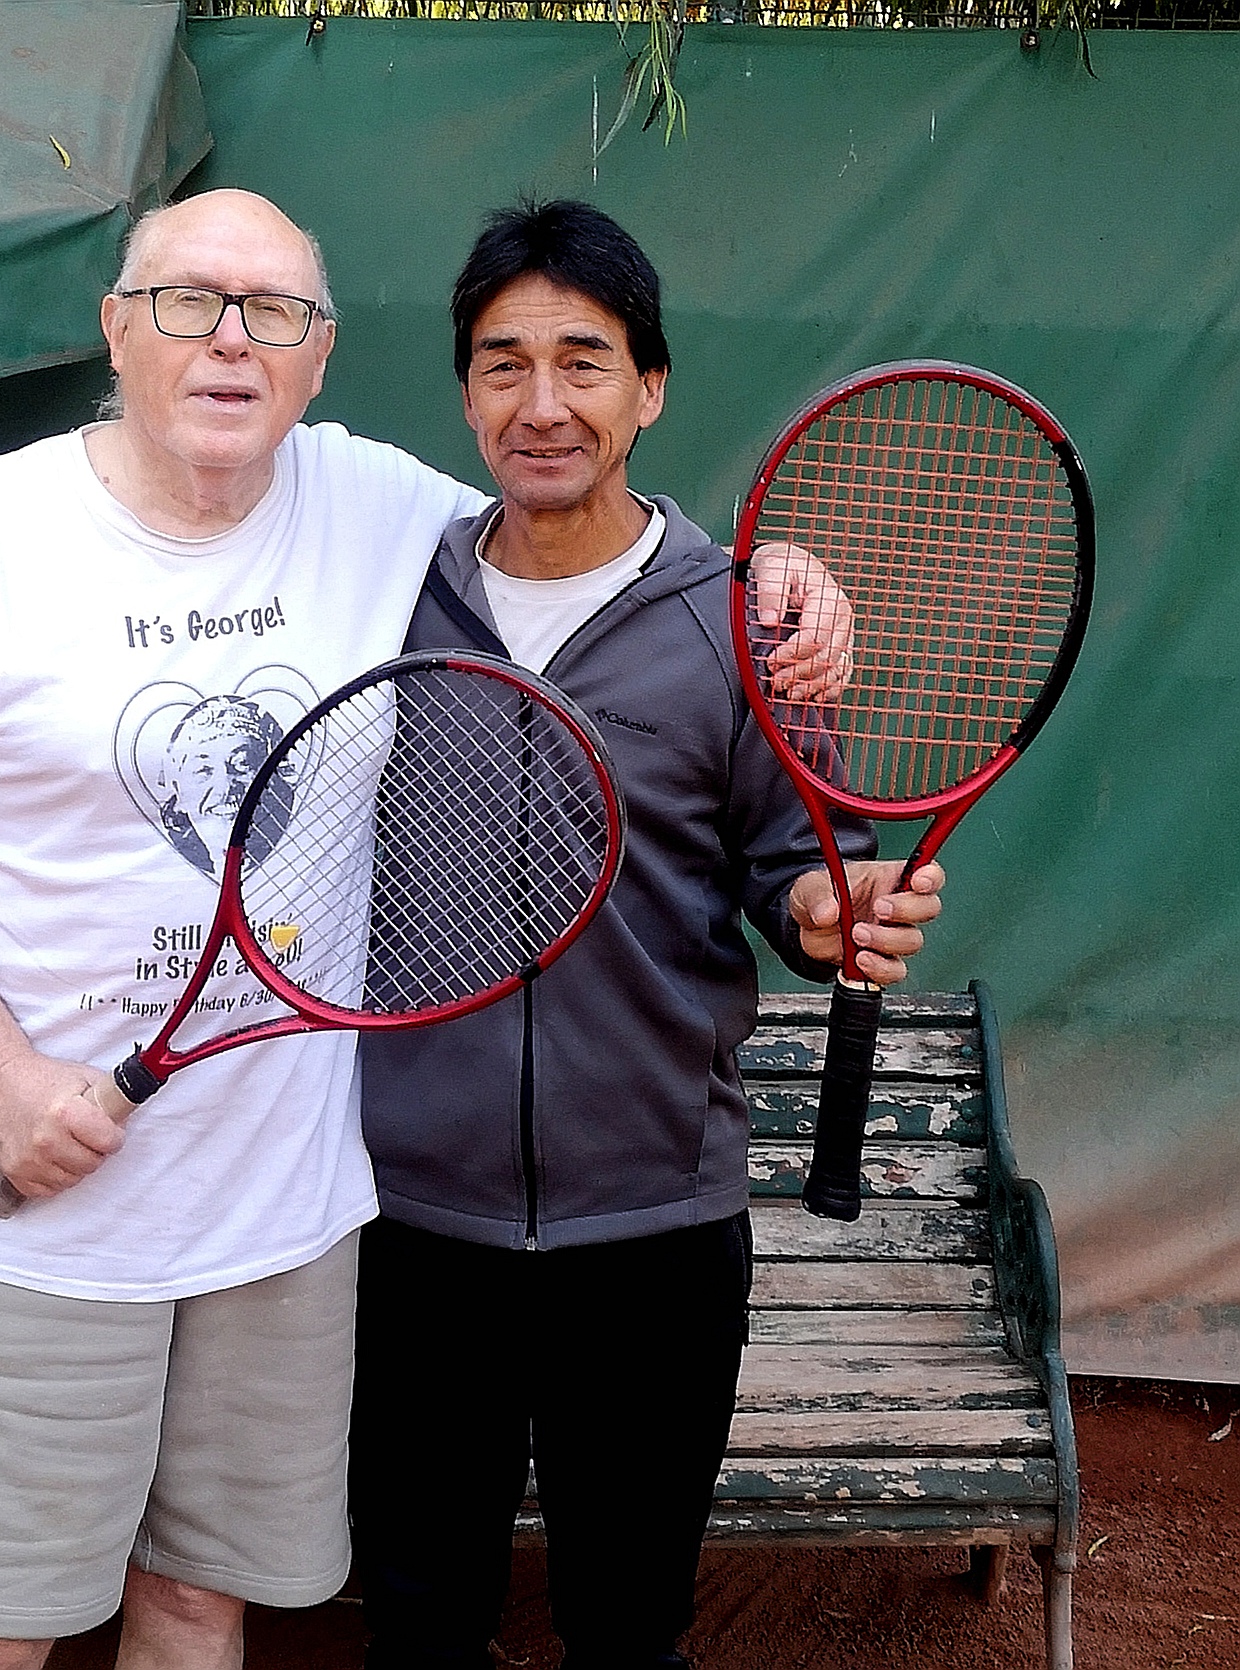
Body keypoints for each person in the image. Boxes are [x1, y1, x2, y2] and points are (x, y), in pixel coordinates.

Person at [0, 186, 855, 1670]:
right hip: (45, 1228)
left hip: (281, 1225)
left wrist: (779, 581)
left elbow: (595, 538)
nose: (230, 340)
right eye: (187, 301)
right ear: (115, 325)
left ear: (319, 353)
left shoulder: (382, 513)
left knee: (196, 1607)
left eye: (272, 312)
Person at [349, 198, 946, 1670]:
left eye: (584, 360)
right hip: (412, 1229)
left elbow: (799, 882)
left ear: (652, 386)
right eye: (502, 364)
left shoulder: (746, 622)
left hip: (658, 1234)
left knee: (627, 1626)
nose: (541, 403)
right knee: (420, 1622)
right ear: (464, 391)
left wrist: (833, 915)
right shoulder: (372, 593)